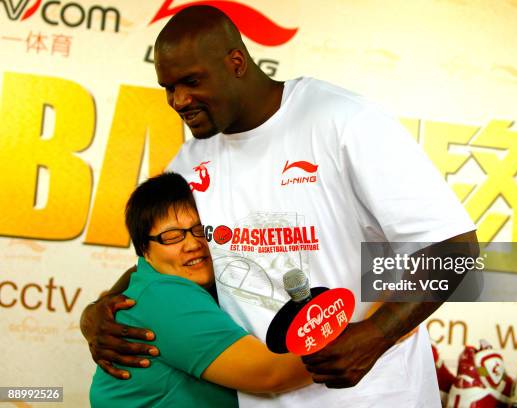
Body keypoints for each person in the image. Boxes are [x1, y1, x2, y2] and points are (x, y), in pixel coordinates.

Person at [81, 5, 479, 407]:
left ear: (236, 62)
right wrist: (100, 310)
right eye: (168, 87)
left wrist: (377, 334)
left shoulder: (343, 121)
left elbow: (455, 247)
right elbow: (164, 259)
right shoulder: (189, 163)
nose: (179, 100)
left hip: (376, 396)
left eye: (191, 81)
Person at [89, 172, 311, 407]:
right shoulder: (166, 295)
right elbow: (269, 373)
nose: (193, 244)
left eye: (200, 230)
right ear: (144, 249)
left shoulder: (158, 283)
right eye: (172, 236)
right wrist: (349, 345)